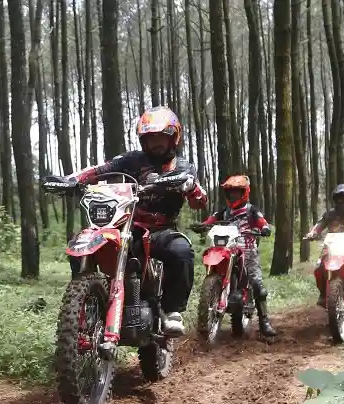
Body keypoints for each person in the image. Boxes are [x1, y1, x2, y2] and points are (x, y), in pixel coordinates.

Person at [52, 106, 208, 337]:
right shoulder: (131, 160)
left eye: (161, 138)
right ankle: (87, 302)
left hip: (161, 231)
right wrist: (71, 180)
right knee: (82, 243)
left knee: (182, 251)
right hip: (126, 224)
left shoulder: (183, 167)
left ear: (173, 138)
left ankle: (172, 311)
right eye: (151, 138)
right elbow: (99, 169)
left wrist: (191, 187)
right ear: (143, 140)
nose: (156, 143)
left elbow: (200, 201)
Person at [199, 175, 277, 337]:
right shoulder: (224, 211)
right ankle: (216, 296)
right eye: (231, 192)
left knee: (257, 285)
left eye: (237, 192)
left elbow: (261, 221)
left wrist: (264, 228)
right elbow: (212, 219)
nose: (233, 195)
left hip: (247, 250)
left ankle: (264, 322)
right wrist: (203, 225)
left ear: (244, 192)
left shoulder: (251, 210)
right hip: (227, 248)